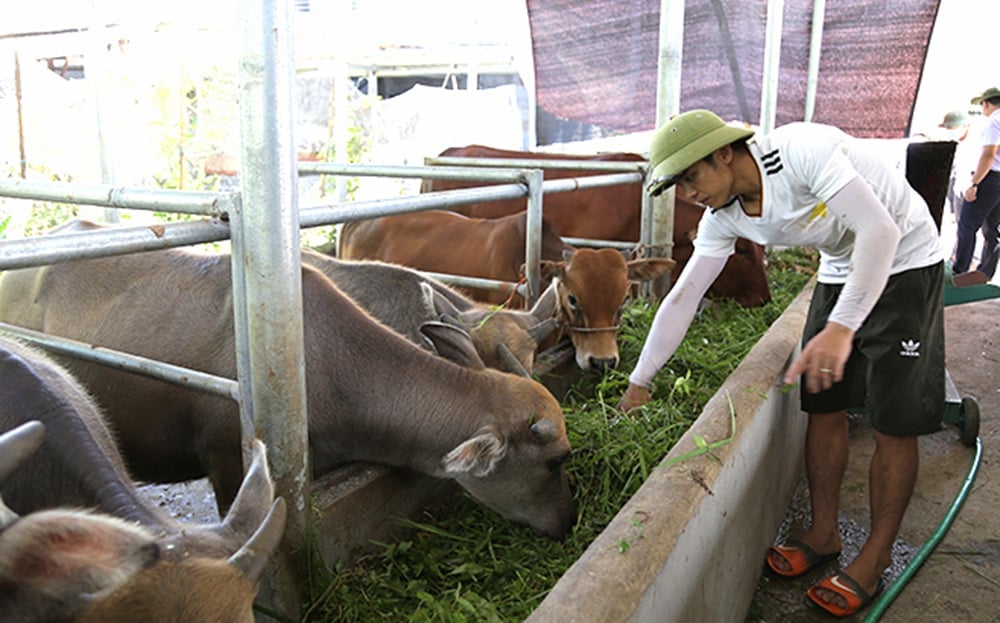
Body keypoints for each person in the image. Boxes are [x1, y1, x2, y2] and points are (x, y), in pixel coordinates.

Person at [616, 110, 945, 618]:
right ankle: (823, 530)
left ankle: (875, 557)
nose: (687, 193)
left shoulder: (800, 152)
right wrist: (640, 381)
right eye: (677, 185)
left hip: (905, 261)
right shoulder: (723, 215)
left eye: (690, 177)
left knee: (893, 420)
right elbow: (683, 297)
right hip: (840, 269)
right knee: (822, 401)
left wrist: (841, 327)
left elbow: (879, 231)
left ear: (724, 152)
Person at [953, 87, 1000, 284]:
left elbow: (988, 154)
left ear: (986, 103)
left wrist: (974, 183)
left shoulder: (993, 122)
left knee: (967, 225)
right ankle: (985, 273)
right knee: (992, 230)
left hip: (989, 179)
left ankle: (960, 272)